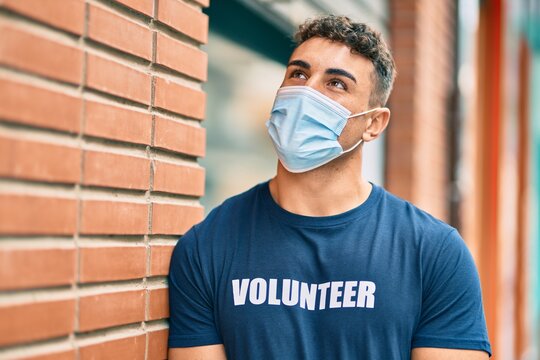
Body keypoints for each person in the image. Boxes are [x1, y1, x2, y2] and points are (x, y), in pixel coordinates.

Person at [168, 15, 491, 360]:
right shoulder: (207, 246)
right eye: (299, 74)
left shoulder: (433, 253)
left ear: (373, 124)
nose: (306, 92)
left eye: (336, 84)